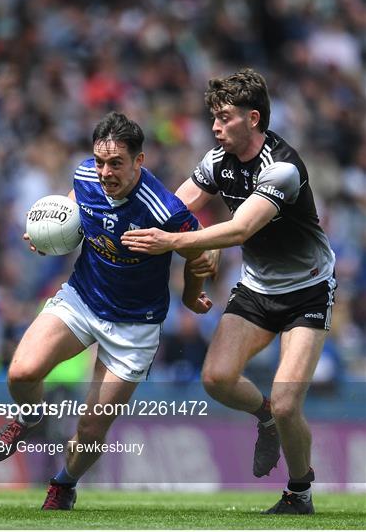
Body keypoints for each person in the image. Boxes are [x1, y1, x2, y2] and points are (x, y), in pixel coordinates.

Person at [121, 68, 337, 515]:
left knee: (287, 399)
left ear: (252, 118)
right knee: (216, 379)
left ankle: (299, 493)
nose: (215, 126)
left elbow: (239, 229)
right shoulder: (216, 162)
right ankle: (265, 421)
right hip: (258, 289)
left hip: (308, 291)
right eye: (212, 117)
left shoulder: (283, 168)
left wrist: (174, 242)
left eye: (223, 117)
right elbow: (173, 209)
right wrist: (107, 220)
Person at [0, 112, 212, 509]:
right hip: (82, 299)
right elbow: (73, 210)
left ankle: (64, 483)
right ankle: (29, 415)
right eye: (100, 161)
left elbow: (199, 254)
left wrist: (192, 296)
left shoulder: (165, 210)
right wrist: (50, 235)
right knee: (21, 372)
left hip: (134, 326)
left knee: (90, 428)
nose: (105, 172)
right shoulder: (85, 175)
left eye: (116, 163)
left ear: (139, 161)